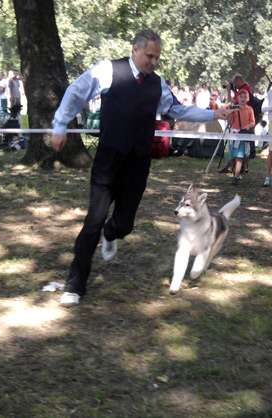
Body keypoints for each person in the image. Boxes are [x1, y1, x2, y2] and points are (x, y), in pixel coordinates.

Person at [51, 30, 230, 307]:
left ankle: (111, 234)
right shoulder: (108, 70)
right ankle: (75, 285)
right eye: (150, 56)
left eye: (157, 58)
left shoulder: (157, 84)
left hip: (138, 162)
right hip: (108, 162)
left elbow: (177, 110)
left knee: (124, 225)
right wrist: (60, 125)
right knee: (93, 221)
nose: (154, 62)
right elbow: (76, 91)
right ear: (135, 49)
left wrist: (212, 114)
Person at [227, 90, 255, 185]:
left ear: (248, 98)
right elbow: (229, 122)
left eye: (245, 97)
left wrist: (248, 126)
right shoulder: (235, 108)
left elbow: (252, 122)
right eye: (241, 97)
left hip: (242, 134)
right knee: (232, 156)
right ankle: (234, 170)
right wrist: (231, 112)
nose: (243, 99)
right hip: (233, 133)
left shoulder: (249, 109)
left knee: (239, 155)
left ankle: (236, 175)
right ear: (238, 98)